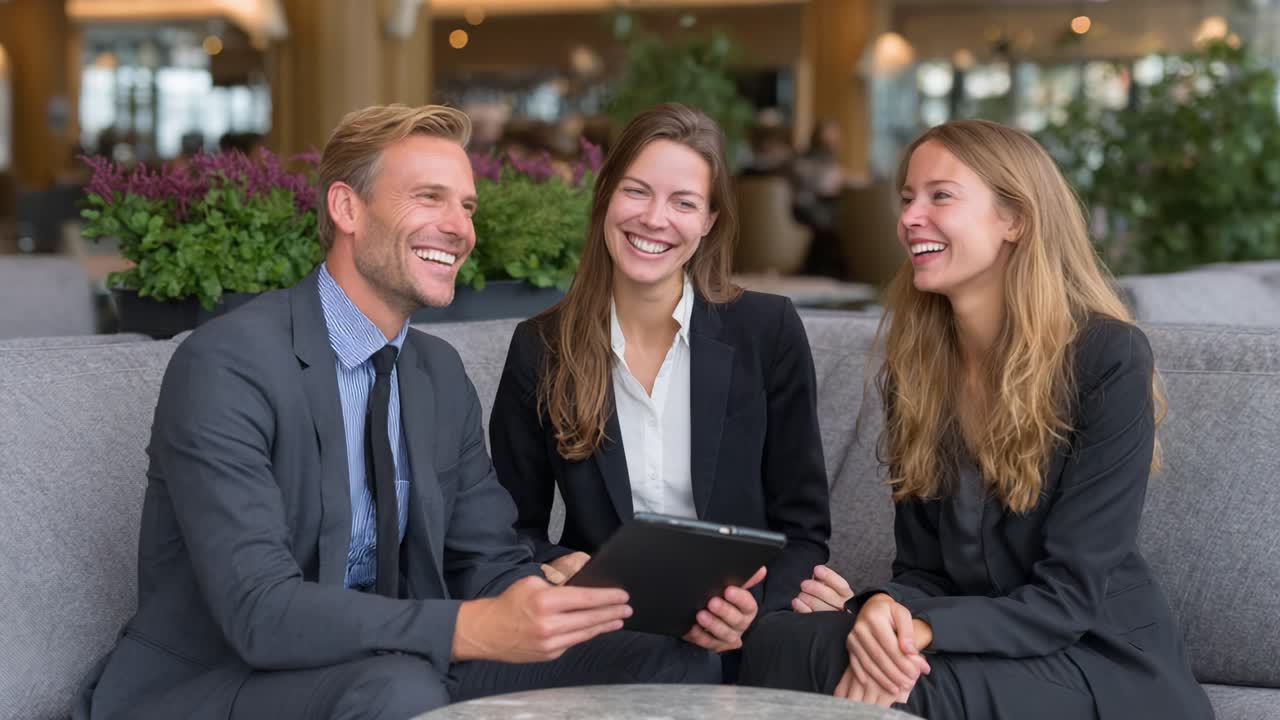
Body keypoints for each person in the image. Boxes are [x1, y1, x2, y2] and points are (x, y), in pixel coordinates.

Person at [75, 104, 719, 720]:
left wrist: (553, 598)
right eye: (428, 197)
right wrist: (469, 626)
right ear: (346, 207)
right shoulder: (228, 364)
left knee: (667, 661)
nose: (459, 226)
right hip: (216, 680)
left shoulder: (436, 373)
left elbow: (485, 561)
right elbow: (258, 611)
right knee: (398, 690)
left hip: (396, 661)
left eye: (466, 205)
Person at [738, 119, 1212, 719]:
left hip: (1097, 661)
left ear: (1015, 219)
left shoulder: (1106, 357)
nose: (911, 217)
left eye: (941, 195)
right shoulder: (915, 370)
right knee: (779, 640)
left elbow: (1066, 600)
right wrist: (879, 607)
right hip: (981, 650)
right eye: (907, 198)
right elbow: (923, 571)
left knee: (881, 676)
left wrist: (911, 625)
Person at [488, 102, 831, 658]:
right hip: (607, 633)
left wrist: (754, 609)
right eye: (637, 191)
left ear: (709, 222)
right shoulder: (541, 348)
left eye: (684, 203)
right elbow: (508, 529)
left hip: (746, 630)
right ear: (605, 199)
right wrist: (551, 563)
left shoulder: (768, 331)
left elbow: (805, 532)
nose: (654, 219)